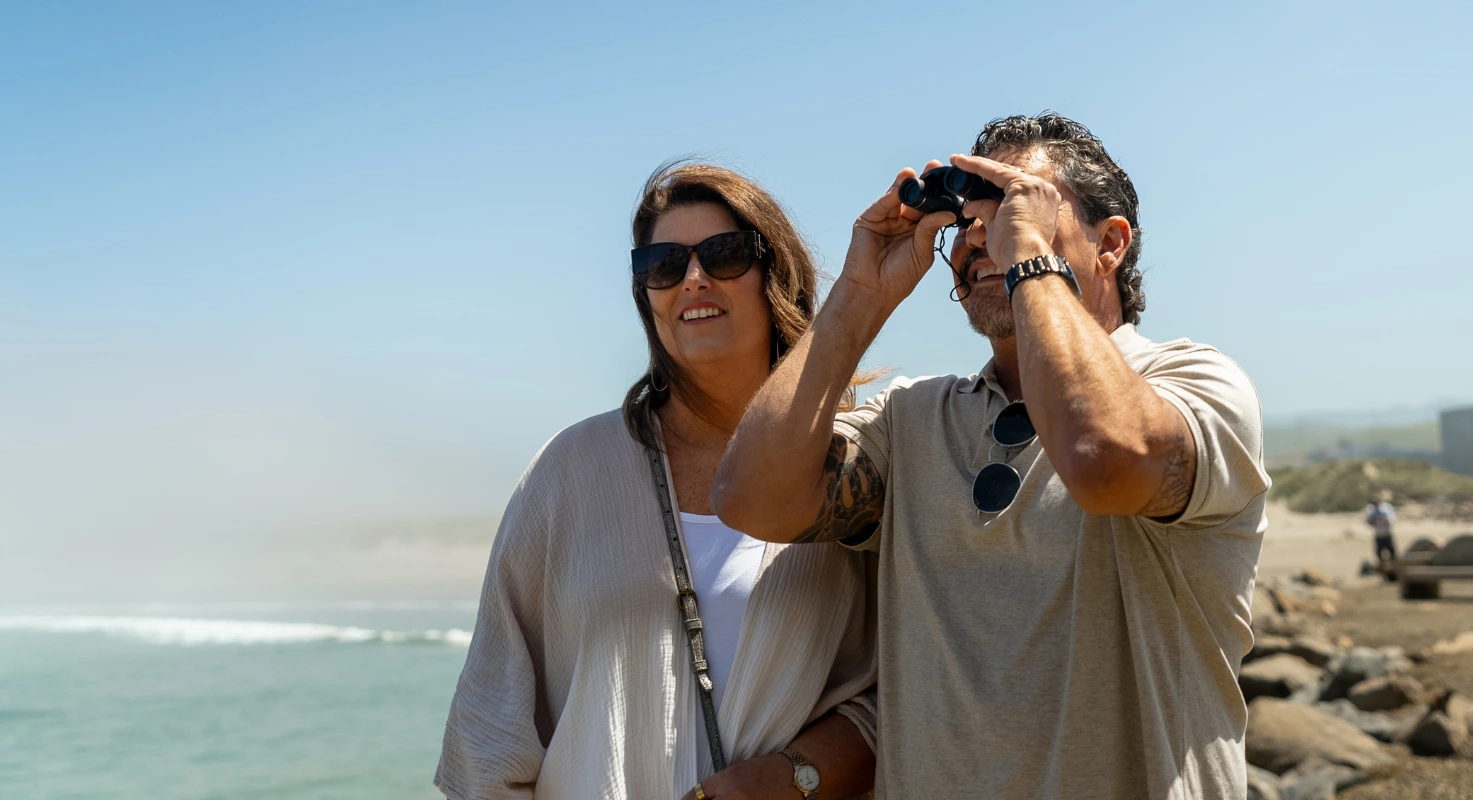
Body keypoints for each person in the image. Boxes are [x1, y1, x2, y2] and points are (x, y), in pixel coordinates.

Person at [714, 114, 1270, 799]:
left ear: (1111, 244)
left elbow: (1105, 456)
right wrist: (861, 294)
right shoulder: (914, 419)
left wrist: (1028, 258)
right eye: (965, 216)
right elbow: (750, 498)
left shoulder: (1194, 385)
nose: (980, 232)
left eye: (1012, 206)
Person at [436, 163, 878, 800]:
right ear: (646, 291)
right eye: (664, 263)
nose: (693, 278)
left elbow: (903, 689)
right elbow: (489, 730)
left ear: (772, 271)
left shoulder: (853, 465)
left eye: (724, 255)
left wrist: (791, 777)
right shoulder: (569, 472)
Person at [1365, 496, 1397, 577]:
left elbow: (1391, 521)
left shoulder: (1386, 508)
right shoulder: (1370, 509)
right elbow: (1368, 522)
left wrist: (1382, 518)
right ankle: (1383, 576)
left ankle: (1395, 573)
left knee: (1393, 556)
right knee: (1380, 557)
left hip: (1387, 534)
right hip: (1378, 535)